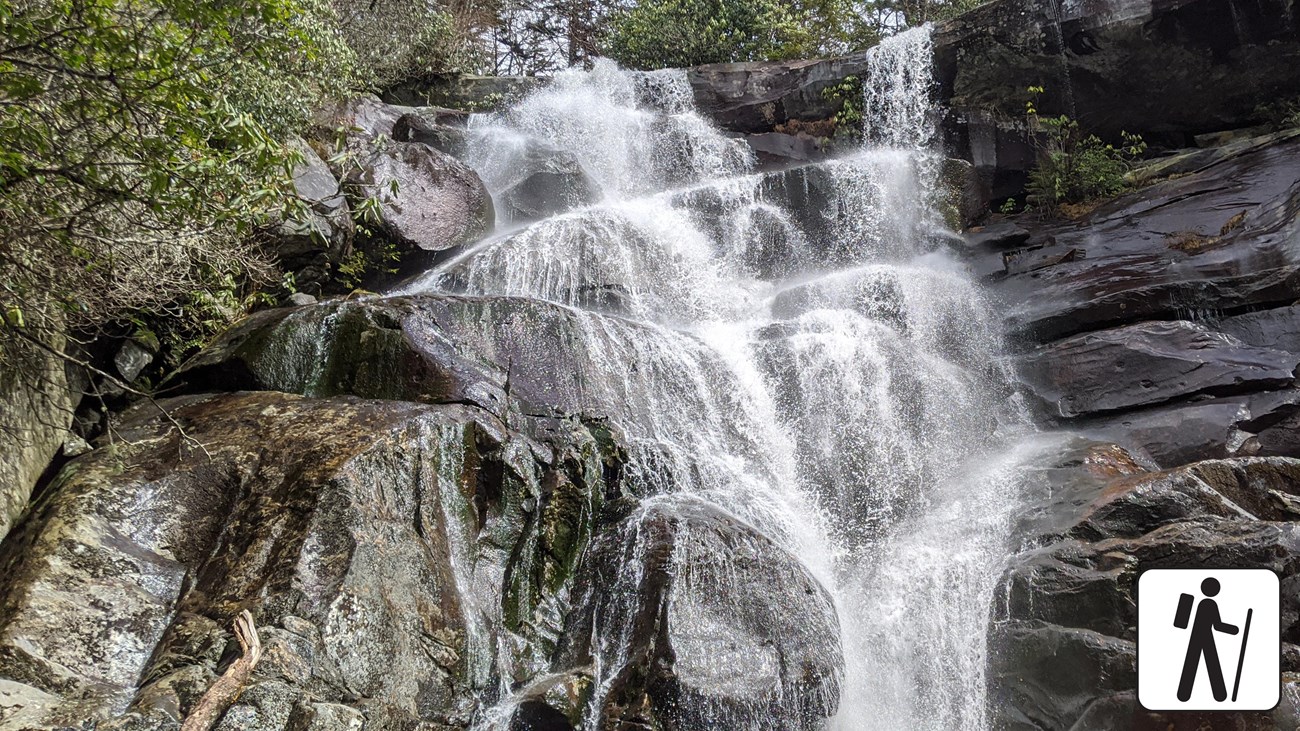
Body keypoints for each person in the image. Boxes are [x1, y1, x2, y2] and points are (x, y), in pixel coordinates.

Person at [1177, 577, 1239, 702]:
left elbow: (1180, 622)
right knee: (1211, 664)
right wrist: (1234, 629)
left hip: (1198, 636)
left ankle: (1184, 695)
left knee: (1193, 663)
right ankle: (1219, 695)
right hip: (1203, 636)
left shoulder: (1190, 598)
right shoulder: (1209, 604)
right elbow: (1218, 625)